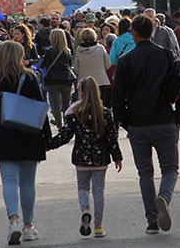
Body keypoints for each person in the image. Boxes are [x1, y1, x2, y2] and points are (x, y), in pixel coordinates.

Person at [112, 15, 180, 235]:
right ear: (153, 31)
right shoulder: (167, 55)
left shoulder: (126, 60)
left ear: (133, 33)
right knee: (170, 168)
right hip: (164, 119)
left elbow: (117, 99)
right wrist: (178, 118)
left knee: (145, 174)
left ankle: (152, 222)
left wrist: (125, 123)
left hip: (138, 123)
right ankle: (163, 198)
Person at [0, 41, 52, 245]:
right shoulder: (30, 77)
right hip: (28, 134)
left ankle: (13, 221)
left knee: (9, 181)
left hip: (3, 135)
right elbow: (40, 109)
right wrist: (47, 137)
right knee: (28, 183)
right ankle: (29, 226)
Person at [46, 76, 123, 239]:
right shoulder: (105, 112)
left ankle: (86, 210)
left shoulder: (74, 112)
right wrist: (117, 157)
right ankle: (98, 227)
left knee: (83, 188)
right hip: (101, 159)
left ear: (80, 93)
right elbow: (111, 138)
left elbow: (65, 136)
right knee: (98, 191)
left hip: (81, 158)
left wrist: (48, 145)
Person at [40, 29, 75, 130]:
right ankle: (67, 123)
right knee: (66, 103)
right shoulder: (67, 51)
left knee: (55, 104)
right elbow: (69, 65)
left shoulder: (49, 51)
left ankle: (59, 125)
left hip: (52, 80)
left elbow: (44, 65)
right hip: (66, 79)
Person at [73, 28, 112, 104]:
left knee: (86, 102)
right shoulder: (101, 48)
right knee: (100, 102)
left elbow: (76, 68)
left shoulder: (79, 50)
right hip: (101, 80)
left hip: (84, 80)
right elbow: (108, 65)